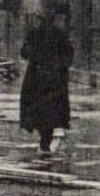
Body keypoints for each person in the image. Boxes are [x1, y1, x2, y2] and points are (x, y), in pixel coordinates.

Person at [19, 12, 73, 153]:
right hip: (53, 79)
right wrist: (61, 67)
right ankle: (46, 139)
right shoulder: (60, 34)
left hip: (39, 78)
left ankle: (45, 139)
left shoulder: (35, 33)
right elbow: (69, 55)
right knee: (50, 109)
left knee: (41, 109)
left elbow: (24, 53)